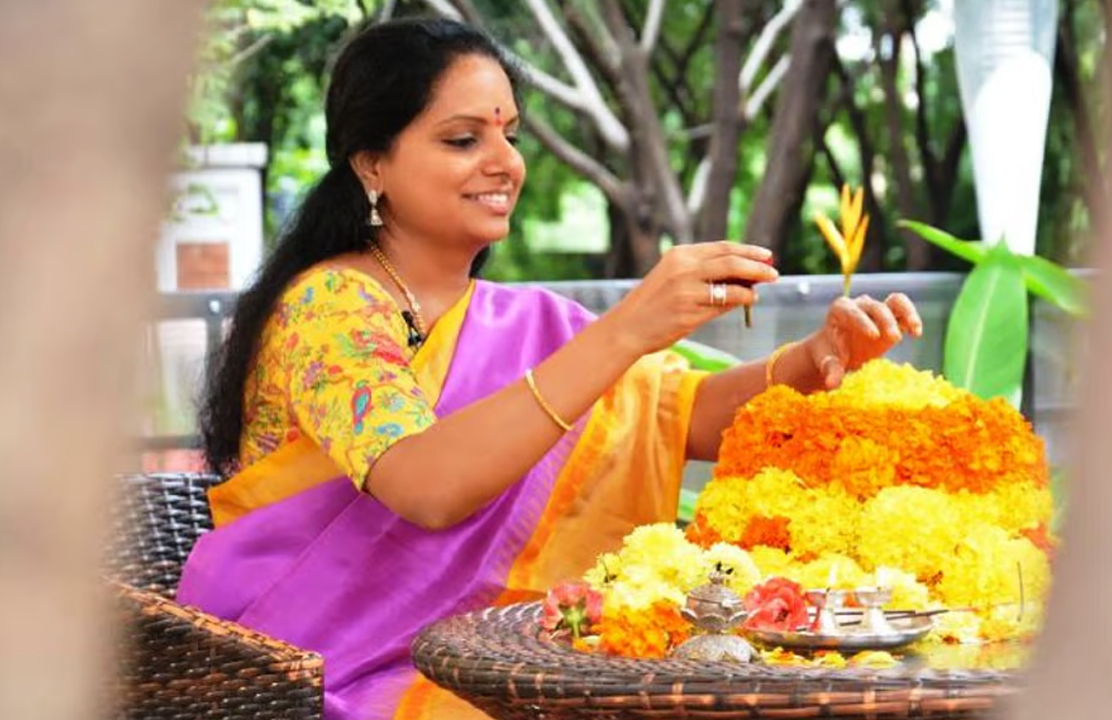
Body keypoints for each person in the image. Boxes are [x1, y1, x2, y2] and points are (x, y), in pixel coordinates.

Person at [175, 17, 922, 720]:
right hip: (322, 675)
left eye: (509, 133)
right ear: (373, 163)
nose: (504, 162)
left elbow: (681, 419)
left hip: (488, 661)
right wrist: (628, 328)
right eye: (464, 139)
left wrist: (812, 361)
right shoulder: (330, 306)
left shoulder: (521, 320)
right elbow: (425, 487)